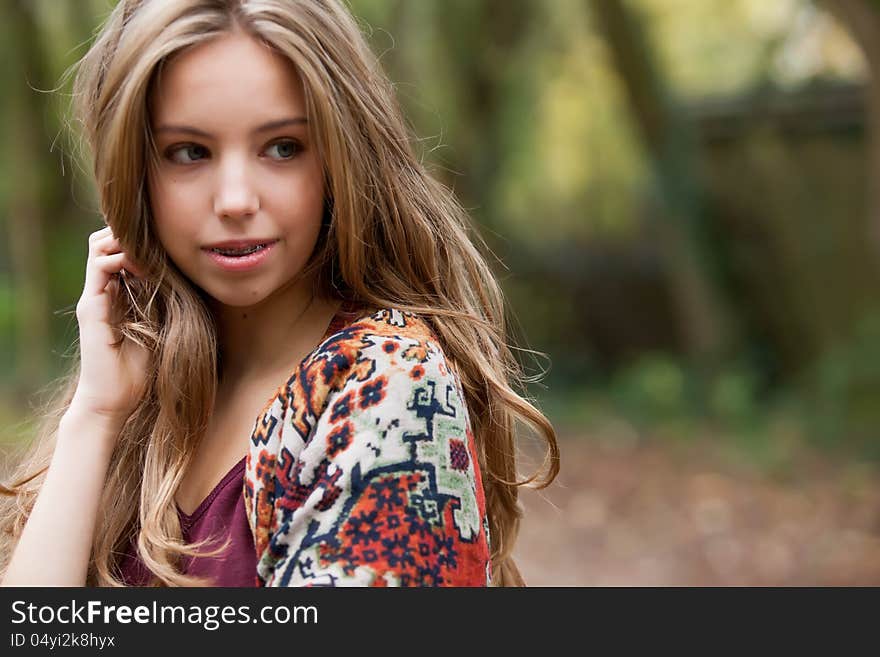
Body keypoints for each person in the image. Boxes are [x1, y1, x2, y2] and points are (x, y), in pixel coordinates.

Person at [0, 0, 558, 587]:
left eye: (282, 147)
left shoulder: (385, 384)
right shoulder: (142, 391)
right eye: (190, 152)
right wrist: (95, 413)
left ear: (342, 157)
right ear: (135, 174)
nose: (236, 199)